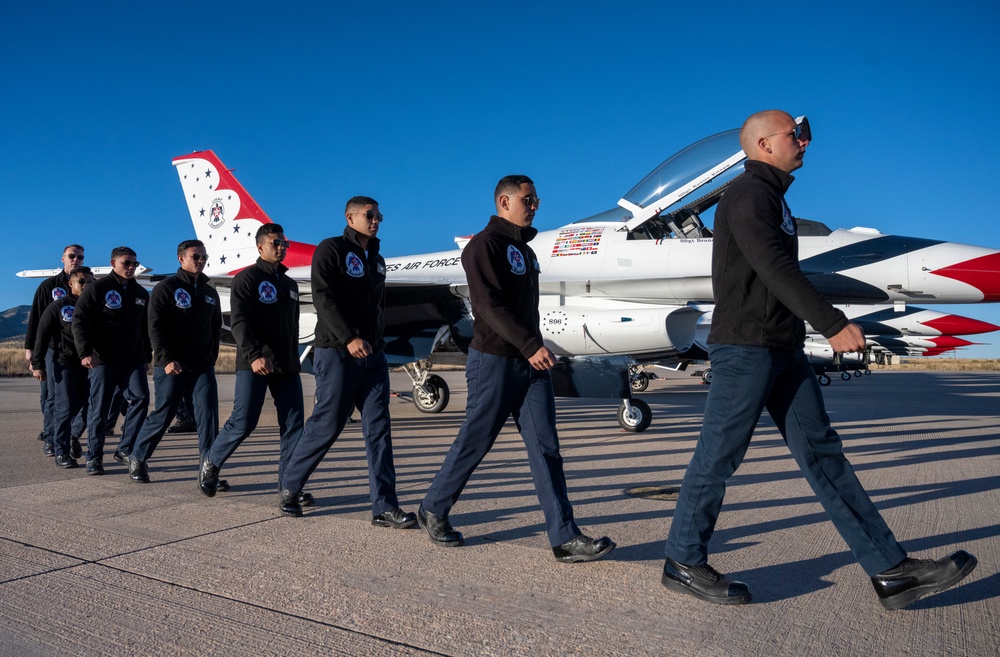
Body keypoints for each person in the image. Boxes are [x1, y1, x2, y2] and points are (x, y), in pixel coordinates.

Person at [661, 110, 977, 610]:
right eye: (795, 134)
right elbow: (773, 266)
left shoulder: (774, 198)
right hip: (745, 348)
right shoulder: (748, 195)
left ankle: (890, 572)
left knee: (824, 456)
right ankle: (682, 560)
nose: (804, 142)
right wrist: (831, 323)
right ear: (764, 144)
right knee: (719, 455)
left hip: (781, 349)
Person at [416, 175, 615, 563]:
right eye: (528, 198)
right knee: (476, 441)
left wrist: (533, 347)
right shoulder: (484, 246)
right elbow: (488, 307)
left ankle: (564, 537)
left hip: (529, 365)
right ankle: (433, 509)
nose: (535, 204)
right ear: (504, 201)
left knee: (546, 447)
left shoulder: (525, 250)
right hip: (494, 360)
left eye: (536, 198)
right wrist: (529, 345)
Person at [279, 196, 415, 527]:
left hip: (372, 356)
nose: (376, 220)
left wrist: (376, 341)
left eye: (379, 215)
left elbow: (377, 308)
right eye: (370, 215)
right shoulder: (332, 250)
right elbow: (324, 298)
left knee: (379, 428)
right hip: (337, 351)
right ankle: (290, 487)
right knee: (327, 424)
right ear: (350, 217)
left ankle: (384, 506)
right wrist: (349, 337)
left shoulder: (378, 260)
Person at [198, 224, 306, 501]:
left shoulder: (290, 284)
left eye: (284, 243)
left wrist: (294, 359)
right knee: (243, 421)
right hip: (255, 363)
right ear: (260, 247)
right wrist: (254, 354)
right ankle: (211, 461)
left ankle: (288, 486)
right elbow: (240, 322)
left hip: (286, 366)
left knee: (294, 426)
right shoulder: (247, 279)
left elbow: (292, 327)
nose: (281, 247)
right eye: (275, 243)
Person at [128, 240, 221, 483]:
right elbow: (155, 327)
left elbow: (214, 329)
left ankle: (207, 471)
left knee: (208, 416)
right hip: (172, 365)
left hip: (202, 365)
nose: (201, 261)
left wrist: (211, 357)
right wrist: (167, 359)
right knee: (164, 414)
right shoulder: (166, 288)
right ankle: (138, 458)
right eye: (195, 256)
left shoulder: (210, 292)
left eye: (203, 256)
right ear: (181, 259)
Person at [72, 247, 151, 475]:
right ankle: (94, 458)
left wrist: (147, 356)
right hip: (104, 360)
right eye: (126, 263)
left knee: (141, 399)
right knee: (99, 409)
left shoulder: (141, 293)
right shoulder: (98, 288)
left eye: (134, 264)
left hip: (133, 359)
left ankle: (125, 449)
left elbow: (145, 328)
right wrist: (85, 351)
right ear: (113, 263)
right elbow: (79, 320)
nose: (131, 267)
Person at [24, 244, 87, 458]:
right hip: (53, 349)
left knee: (80, 397)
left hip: (79, 351)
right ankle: (51, 438)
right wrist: (31, 350)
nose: (76, 259)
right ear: (63, 259)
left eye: (80, 256)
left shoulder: (88, 288)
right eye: (72, 256)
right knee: (51, 396)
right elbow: (36, 321)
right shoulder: (48, 286)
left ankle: (71, 434)